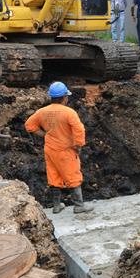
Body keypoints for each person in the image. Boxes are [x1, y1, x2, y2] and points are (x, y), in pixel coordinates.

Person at [25, 82, 92, 214]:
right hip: (65, 150)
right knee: (73, 175)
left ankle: (56, 206)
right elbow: (79, 130)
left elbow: (29, 125)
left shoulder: (42, 112)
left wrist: (44, 134)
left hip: (50, 149)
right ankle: (79, 205)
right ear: (64, 97)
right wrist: (78, 146)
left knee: (53, 175)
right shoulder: (69, 113)